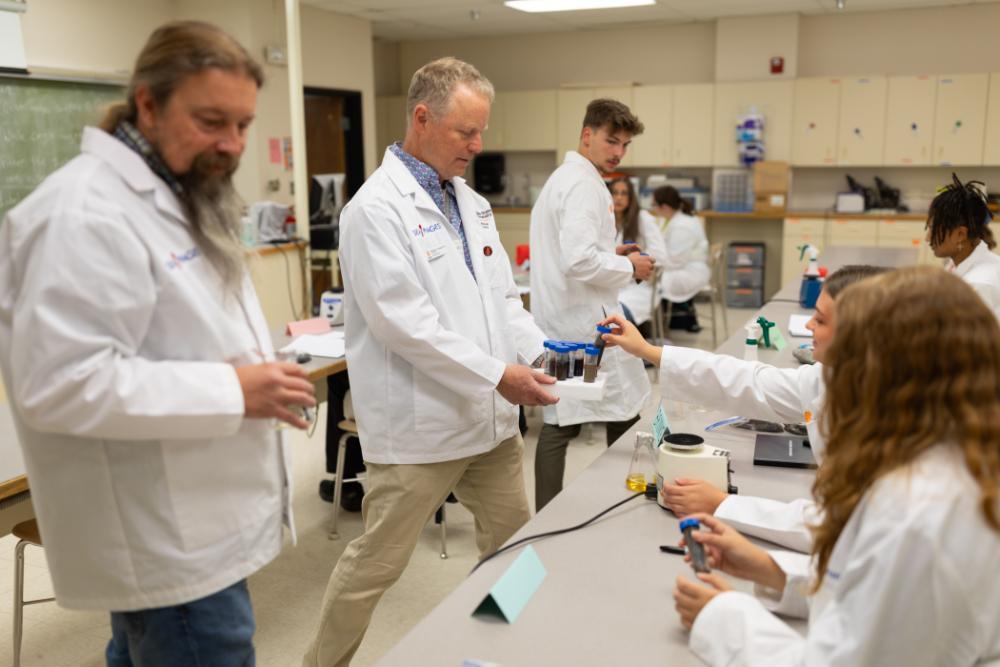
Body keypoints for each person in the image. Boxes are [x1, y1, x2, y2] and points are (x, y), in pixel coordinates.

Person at [0, 21, 316, 665]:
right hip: (168, 536)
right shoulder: (83, 214)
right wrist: (234, 388)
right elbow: (60, 385)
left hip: (198, 521)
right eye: (210, 121)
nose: (231, 145)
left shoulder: (176, 193)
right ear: (148, 103)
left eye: (243, 125)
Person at [302, 58, 557, 667]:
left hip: (490, 424)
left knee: (516, 546)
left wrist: (542, 353)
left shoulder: (470, 203)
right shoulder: (374, 209)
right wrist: (499, 374)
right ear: (422, 118)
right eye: (466, 131)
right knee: (374, 568)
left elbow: (502, 300)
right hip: (421, 429)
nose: (478, 144)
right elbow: (404, 325)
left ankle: (496, 645)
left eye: (481, 131)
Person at [670, 267, 1000, 666]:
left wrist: (722, 618)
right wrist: (772, 571)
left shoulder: (918, 514)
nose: (832, 378)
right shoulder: (952, 462)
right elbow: (878, 600)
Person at [602, 265, 887, 552]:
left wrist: (723, 504)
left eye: (821, 320)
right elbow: (750, 381)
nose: (809, 325)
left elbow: (838, 529)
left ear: (858, 333)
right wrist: (647, 351)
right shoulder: (833, 379)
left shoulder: (889, 424)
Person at [530, 98, 654, 512]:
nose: (617, 152)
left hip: (563, 316)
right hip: (584, 324)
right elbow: (579, 260)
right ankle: (626, 502)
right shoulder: (585, 185)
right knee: (622, 409)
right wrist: (629, 264)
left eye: (625, 145)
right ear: (587, 135)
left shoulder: (563, 178)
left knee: (561, 418)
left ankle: (549, 511)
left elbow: (574, 250)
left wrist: (611, 251)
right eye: (611, 140)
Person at [925, 172, 1000, 318]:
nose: (927, 238)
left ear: (960, 235)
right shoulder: (963, 261)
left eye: (932, 229)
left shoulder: (978, 285)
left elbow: (970, 340)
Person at [608, 176, 668, 332]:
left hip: (638, 287)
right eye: (614, 193)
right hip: (612, 283)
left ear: (631, 198)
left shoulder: (643, 219)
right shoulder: (605, 220)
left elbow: (660, 256)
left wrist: (634, 260)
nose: (619, 197)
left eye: (624, 193)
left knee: (614, 316)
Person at [651, 185, 710, 333]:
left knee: (650, 284)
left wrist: (652, 264)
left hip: (688, 272)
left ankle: (653, 328)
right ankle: (657, 325)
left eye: (654, 205)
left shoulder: (681, 226)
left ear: (664, 206)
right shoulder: (677, 219)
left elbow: (675, 262)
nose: (653, 209)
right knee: (648, 280)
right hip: (684, 266)